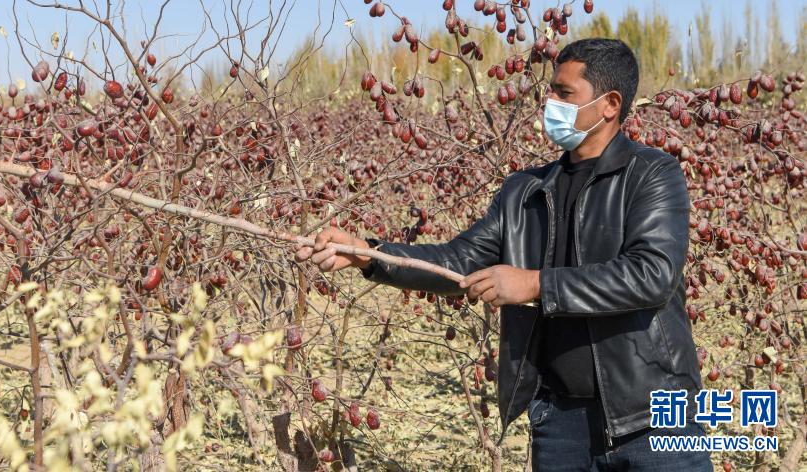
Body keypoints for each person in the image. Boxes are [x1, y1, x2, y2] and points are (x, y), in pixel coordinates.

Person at [294, 38, 712, 471]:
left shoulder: (652, 174)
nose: (549, 102)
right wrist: (371, 255)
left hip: (655, 418)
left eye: (564, 94)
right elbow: (458, 259)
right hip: (561, 421)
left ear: (609, 104)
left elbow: (652, 274)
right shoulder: (525, 191)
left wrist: (534, 283)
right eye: (550, 90)